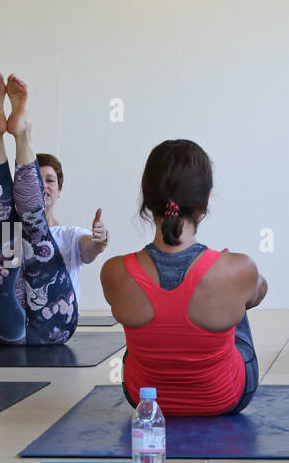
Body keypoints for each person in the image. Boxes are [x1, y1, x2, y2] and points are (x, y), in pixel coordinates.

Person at [0, 72, 109, 344]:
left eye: (49, 181)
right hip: (6, 328)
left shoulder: (71, 235)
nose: (45, 187)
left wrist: (99, 241)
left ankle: (0, 134)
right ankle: (9, 133)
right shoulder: (9, 240)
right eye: (41, 181)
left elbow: (88, 249)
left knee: (29, 230)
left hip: (55, 325)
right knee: (5, 233)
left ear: (59, 190)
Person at [101, 139, 266, 417]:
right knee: (235, 296)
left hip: (146, 401)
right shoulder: (239, 268)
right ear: (205, 202)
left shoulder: (113, 271)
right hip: (224, 398)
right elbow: (259, 293)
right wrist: (221, 272)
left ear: (147, 200)